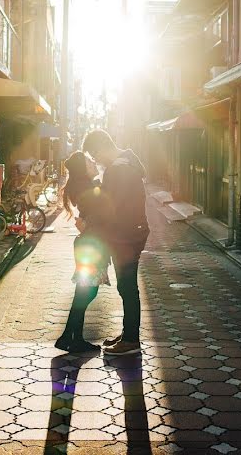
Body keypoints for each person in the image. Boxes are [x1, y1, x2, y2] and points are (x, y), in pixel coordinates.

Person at [81, 129, 149, 356]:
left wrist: (88, 221)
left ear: (101, 148)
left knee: (127, 287)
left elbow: (110, 207)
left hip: (126, 236)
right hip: (131, 233)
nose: (96, 160)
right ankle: (129, 333)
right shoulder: (126, 163)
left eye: (94, 155)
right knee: (127, 287)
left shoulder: (118, 169)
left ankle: (131, 340)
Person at [54, 151, 111, 353]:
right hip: (91, 245)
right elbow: (99, 213)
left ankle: (70, 337)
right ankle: (71, 337)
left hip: (89, 243)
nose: (93, 160)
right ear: (82, 168)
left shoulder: (85, 185)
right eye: (89, 160)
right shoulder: (89, 187)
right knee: (87, 291)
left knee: (84, 291)